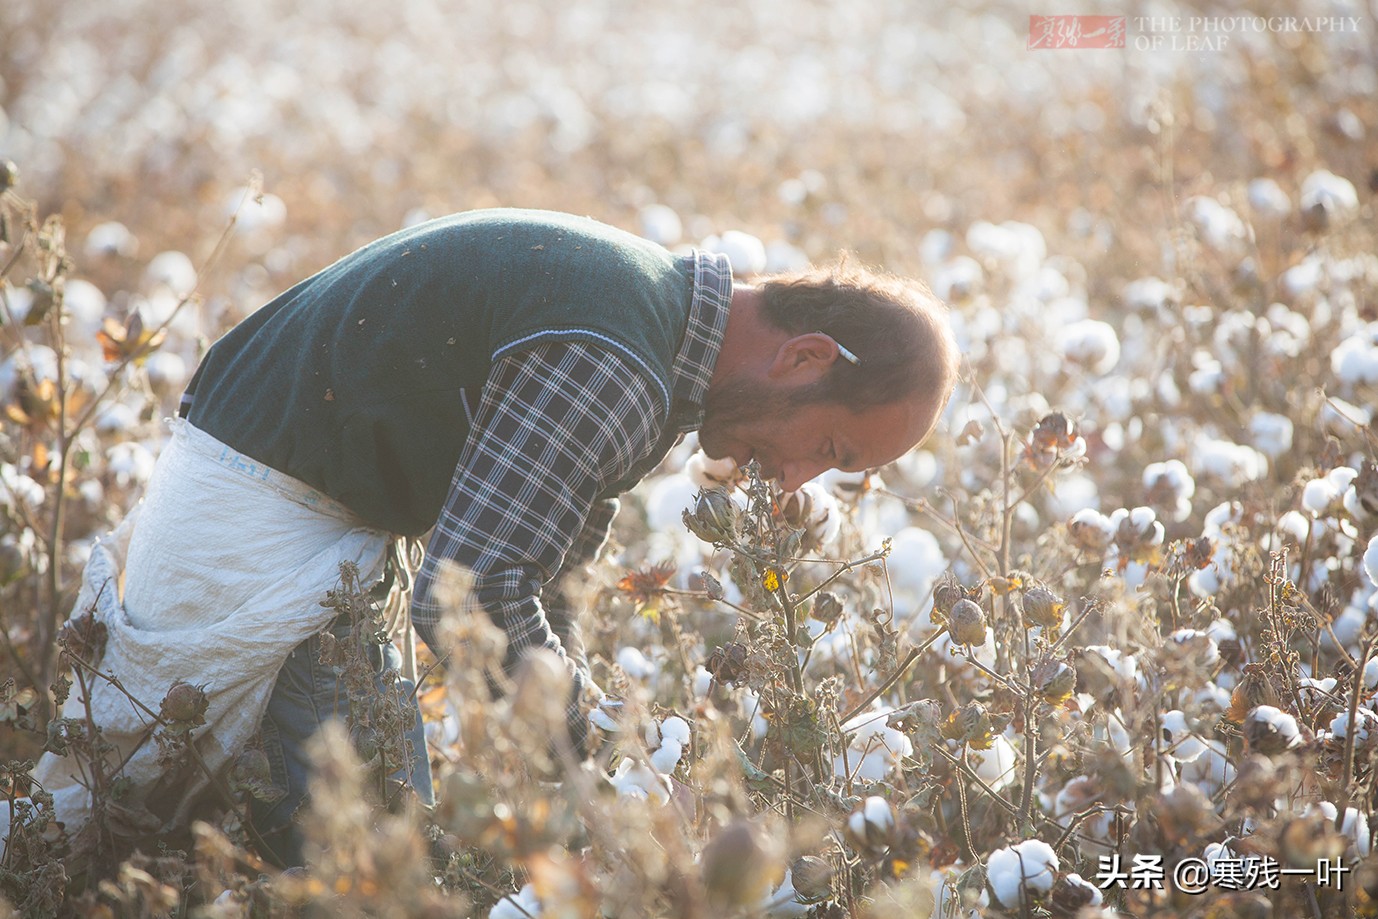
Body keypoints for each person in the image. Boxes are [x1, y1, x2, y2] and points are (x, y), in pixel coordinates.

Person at [21, 208, 959, 866]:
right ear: (802, 358)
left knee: (293, 830)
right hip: (257, 516)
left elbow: (542, 582)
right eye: (825, 447)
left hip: (302, 505)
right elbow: (469, 590)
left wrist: (597, 755)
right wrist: (601, 762)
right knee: (345, 852)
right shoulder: (618, 363)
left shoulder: (650, 323)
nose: (792, 481)